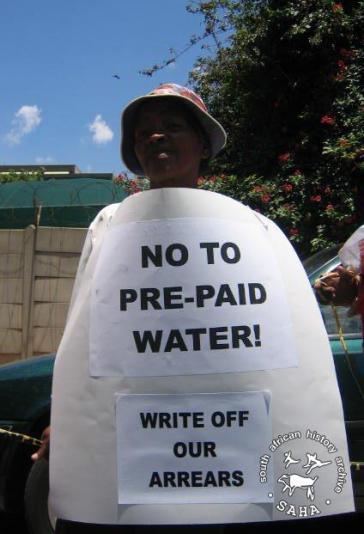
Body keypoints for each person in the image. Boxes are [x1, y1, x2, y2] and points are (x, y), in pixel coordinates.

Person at [34, 83, 227, 532]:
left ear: (202, 144)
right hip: (124, 425)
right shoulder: (110, 225)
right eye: (143, 134)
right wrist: (65, 417)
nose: (155, 138)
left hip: (214, 431)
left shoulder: (239, 229)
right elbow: (83, 329)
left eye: (171, 127)